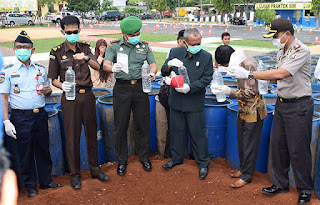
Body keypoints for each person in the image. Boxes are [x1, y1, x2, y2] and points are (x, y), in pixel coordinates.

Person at [227, 18, 313, 204]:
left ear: (287, 34)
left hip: (298, 105)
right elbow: (277, 78)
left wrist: (250, 74)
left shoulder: (301, 50)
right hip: (283, 104)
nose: (273, 39)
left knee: (298, 149)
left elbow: (282, 74)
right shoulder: (282, 51)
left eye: (276, 35)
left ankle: (305, 189)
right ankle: (281, 184)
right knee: (279, 147)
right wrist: (265, 75)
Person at [48, 15, 110, 190]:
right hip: (70, 98)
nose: (73, 34)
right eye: (69, 32)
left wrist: (85, 58)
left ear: (80, 29)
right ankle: (75, 175)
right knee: (72, 137)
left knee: (92, 134)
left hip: (88, 95)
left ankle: (95, 170)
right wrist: (64, 85)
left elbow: (98, 67)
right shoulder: (57, 52)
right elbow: (53, 79)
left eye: (75, 31)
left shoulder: (84, 47)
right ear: (62, 31)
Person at [0, 31, 63, 197]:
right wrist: (6, 120)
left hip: (40, 115)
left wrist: (49, 90)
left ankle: (45, 181)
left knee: (43, 150)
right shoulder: (7, 71)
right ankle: (31, 187)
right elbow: (4, 97)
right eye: (19, 47)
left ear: (32, 50)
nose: (22, 50)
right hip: (20, 117)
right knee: (25, 153)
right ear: (14, 50)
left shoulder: (40, 69)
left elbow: (47, 91)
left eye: (26, 47)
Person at [103, 16, 157, 176]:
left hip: (140, 87)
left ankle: (144, 157)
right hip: (122, 89)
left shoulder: (145, 46)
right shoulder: (113, 46)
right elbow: (105, 64)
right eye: (132, 35)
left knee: (142, 124)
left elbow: (153, 63)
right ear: (124, 34)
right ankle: (121, 161)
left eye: (137, 33)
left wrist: (152, 73)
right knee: (121, 125)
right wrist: (112, 68)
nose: (135, 37)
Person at [211, 45, 267, 188]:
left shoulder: (249, 64)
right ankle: (243, 169)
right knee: (242, 142)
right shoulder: (237, 60)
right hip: (243, 109)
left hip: (253, 111)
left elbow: (250, 92)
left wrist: (229, 91)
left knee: (249, 144)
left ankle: (247, 176)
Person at [161, 28, 213, 179]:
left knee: (198, 134)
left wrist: (190, 88)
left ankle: (203, 163)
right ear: (184, 43)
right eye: (193, 43)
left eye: (199, 43)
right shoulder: (174, 52)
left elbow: (206, 78)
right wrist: (169, 65)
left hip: (194, 101)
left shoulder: (206, 57)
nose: (196, 46)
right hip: (176, 101)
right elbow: (163, 72)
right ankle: (176, 159)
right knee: (177, 132)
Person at [159, 29, 185, 158]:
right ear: (180, 41)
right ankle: (169, 154)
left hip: (181, 92)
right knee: (174, 124)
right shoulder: (174, 53)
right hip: (169, 92)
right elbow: (164, 71)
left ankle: (178, 153)